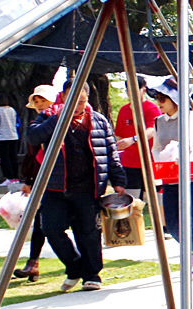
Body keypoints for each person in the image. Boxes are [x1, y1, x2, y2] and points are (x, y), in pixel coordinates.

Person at [25, 83, 126, 292]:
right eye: (72, 100)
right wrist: (58, 118)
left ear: (87, 98)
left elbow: (111, 152)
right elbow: (33, 137)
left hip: (88, 187)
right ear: (62, 97)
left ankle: (92, 275)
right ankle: (74, 267)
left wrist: (118, 182)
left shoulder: (98, 120)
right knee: (50, 228)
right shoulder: (49, 116)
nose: (77, 106)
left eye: (81, 101)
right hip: (55, 186)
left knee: (88, 232)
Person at [148, 77, 193, 279]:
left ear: (173, 99)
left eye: (162, 99)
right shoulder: (159, 121)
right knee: (172, 224)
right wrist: (161, 159)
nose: (159, 103)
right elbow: (156, 148)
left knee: (190, 219)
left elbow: (192, 144)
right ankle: (192, 249)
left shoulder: (189, 117)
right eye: (157, 98)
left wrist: (176, 154)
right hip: (169, 176)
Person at [12, 84, 59, 282]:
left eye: (43, 101)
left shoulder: (60, 121)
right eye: (37, 102)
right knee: (40, 220)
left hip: (61, 177)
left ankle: (81, 265)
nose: (40, 105)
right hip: (42, 178)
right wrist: (28, 180)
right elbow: (31, 156)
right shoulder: (35, 127)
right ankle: (33, 263)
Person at [114, 83, 161, 200]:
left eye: (135, 89)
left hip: (150, 162)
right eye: (128, 90)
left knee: (157, 201)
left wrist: (133, 139)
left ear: (143, 90)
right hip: (129, 164)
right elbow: (118, 135)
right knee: (132, 201)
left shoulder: (152, 108)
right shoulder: (123, 110)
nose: (131, 93)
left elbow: (153, 130)